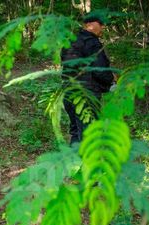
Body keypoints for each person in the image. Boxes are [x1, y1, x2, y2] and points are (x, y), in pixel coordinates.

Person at [61, 11, 115, 144]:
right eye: (100, 24)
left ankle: (73, 164)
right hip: (86, 96)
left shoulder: (70, 42)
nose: (103, 27)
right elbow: (100, 70)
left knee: (76, 132)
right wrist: (112, 79)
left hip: (68, 93)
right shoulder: (92, 43)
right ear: (89, 24)